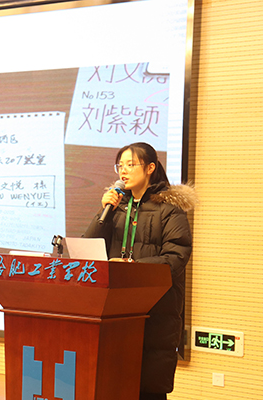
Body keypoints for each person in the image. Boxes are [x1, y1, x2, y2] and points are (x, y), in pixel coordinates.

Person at [83, 142, 197, 400]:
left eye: (130, 164)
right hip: (117, 310)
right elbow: (90, 247)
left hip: (156, 309)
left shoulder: (170, 209)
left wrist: (133, 268)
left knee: (148, 387)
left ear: (150, 168)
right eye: (120, 165)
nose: (123, 171)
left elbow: (176, 257)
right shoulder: (117, 207)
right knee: (115, 385)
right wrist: (104, 210)